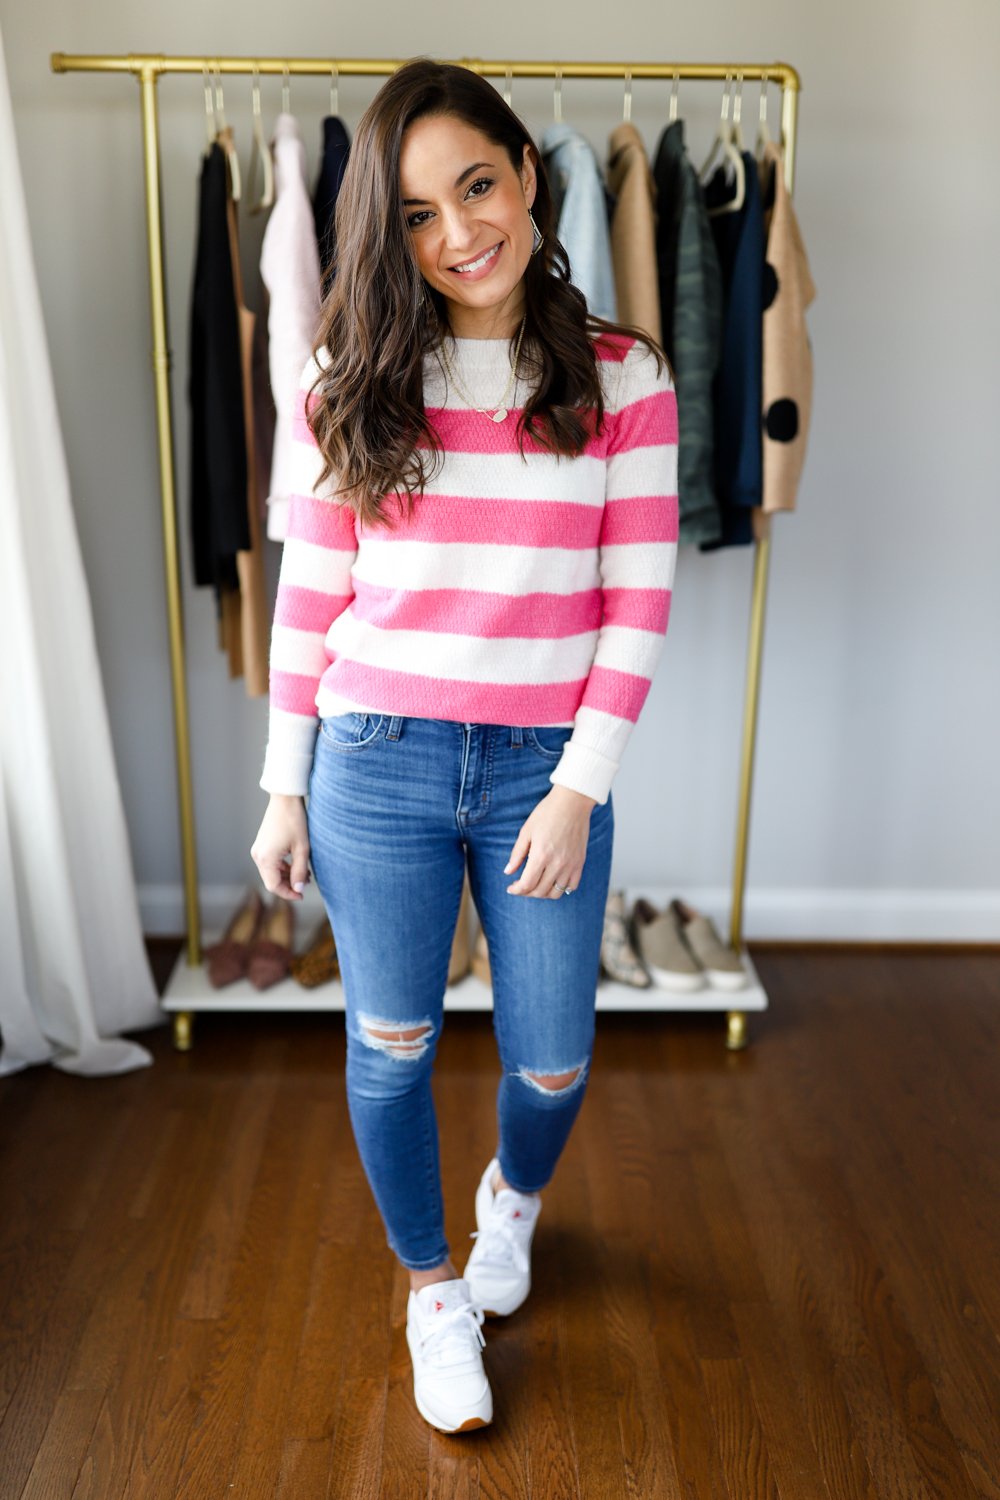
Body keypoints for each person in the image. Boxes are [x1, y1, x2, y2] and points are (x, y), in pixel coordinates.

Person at [251, 59, 678, 1434]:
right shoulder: (348, 373)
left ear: (526, 173)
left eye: (477, 186)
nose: (458, 234)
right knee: (393, 1039)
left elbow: (636, 605)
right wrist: (283, 786)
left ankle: (512, 1202)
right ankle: (434, 1289)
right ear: (389, 229)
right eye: (419, 213)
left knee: (552, 1056)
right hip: (373, 755)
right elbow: (310, 599)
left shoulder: (628, 375)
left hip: (540, 774)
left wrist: (578, 787)